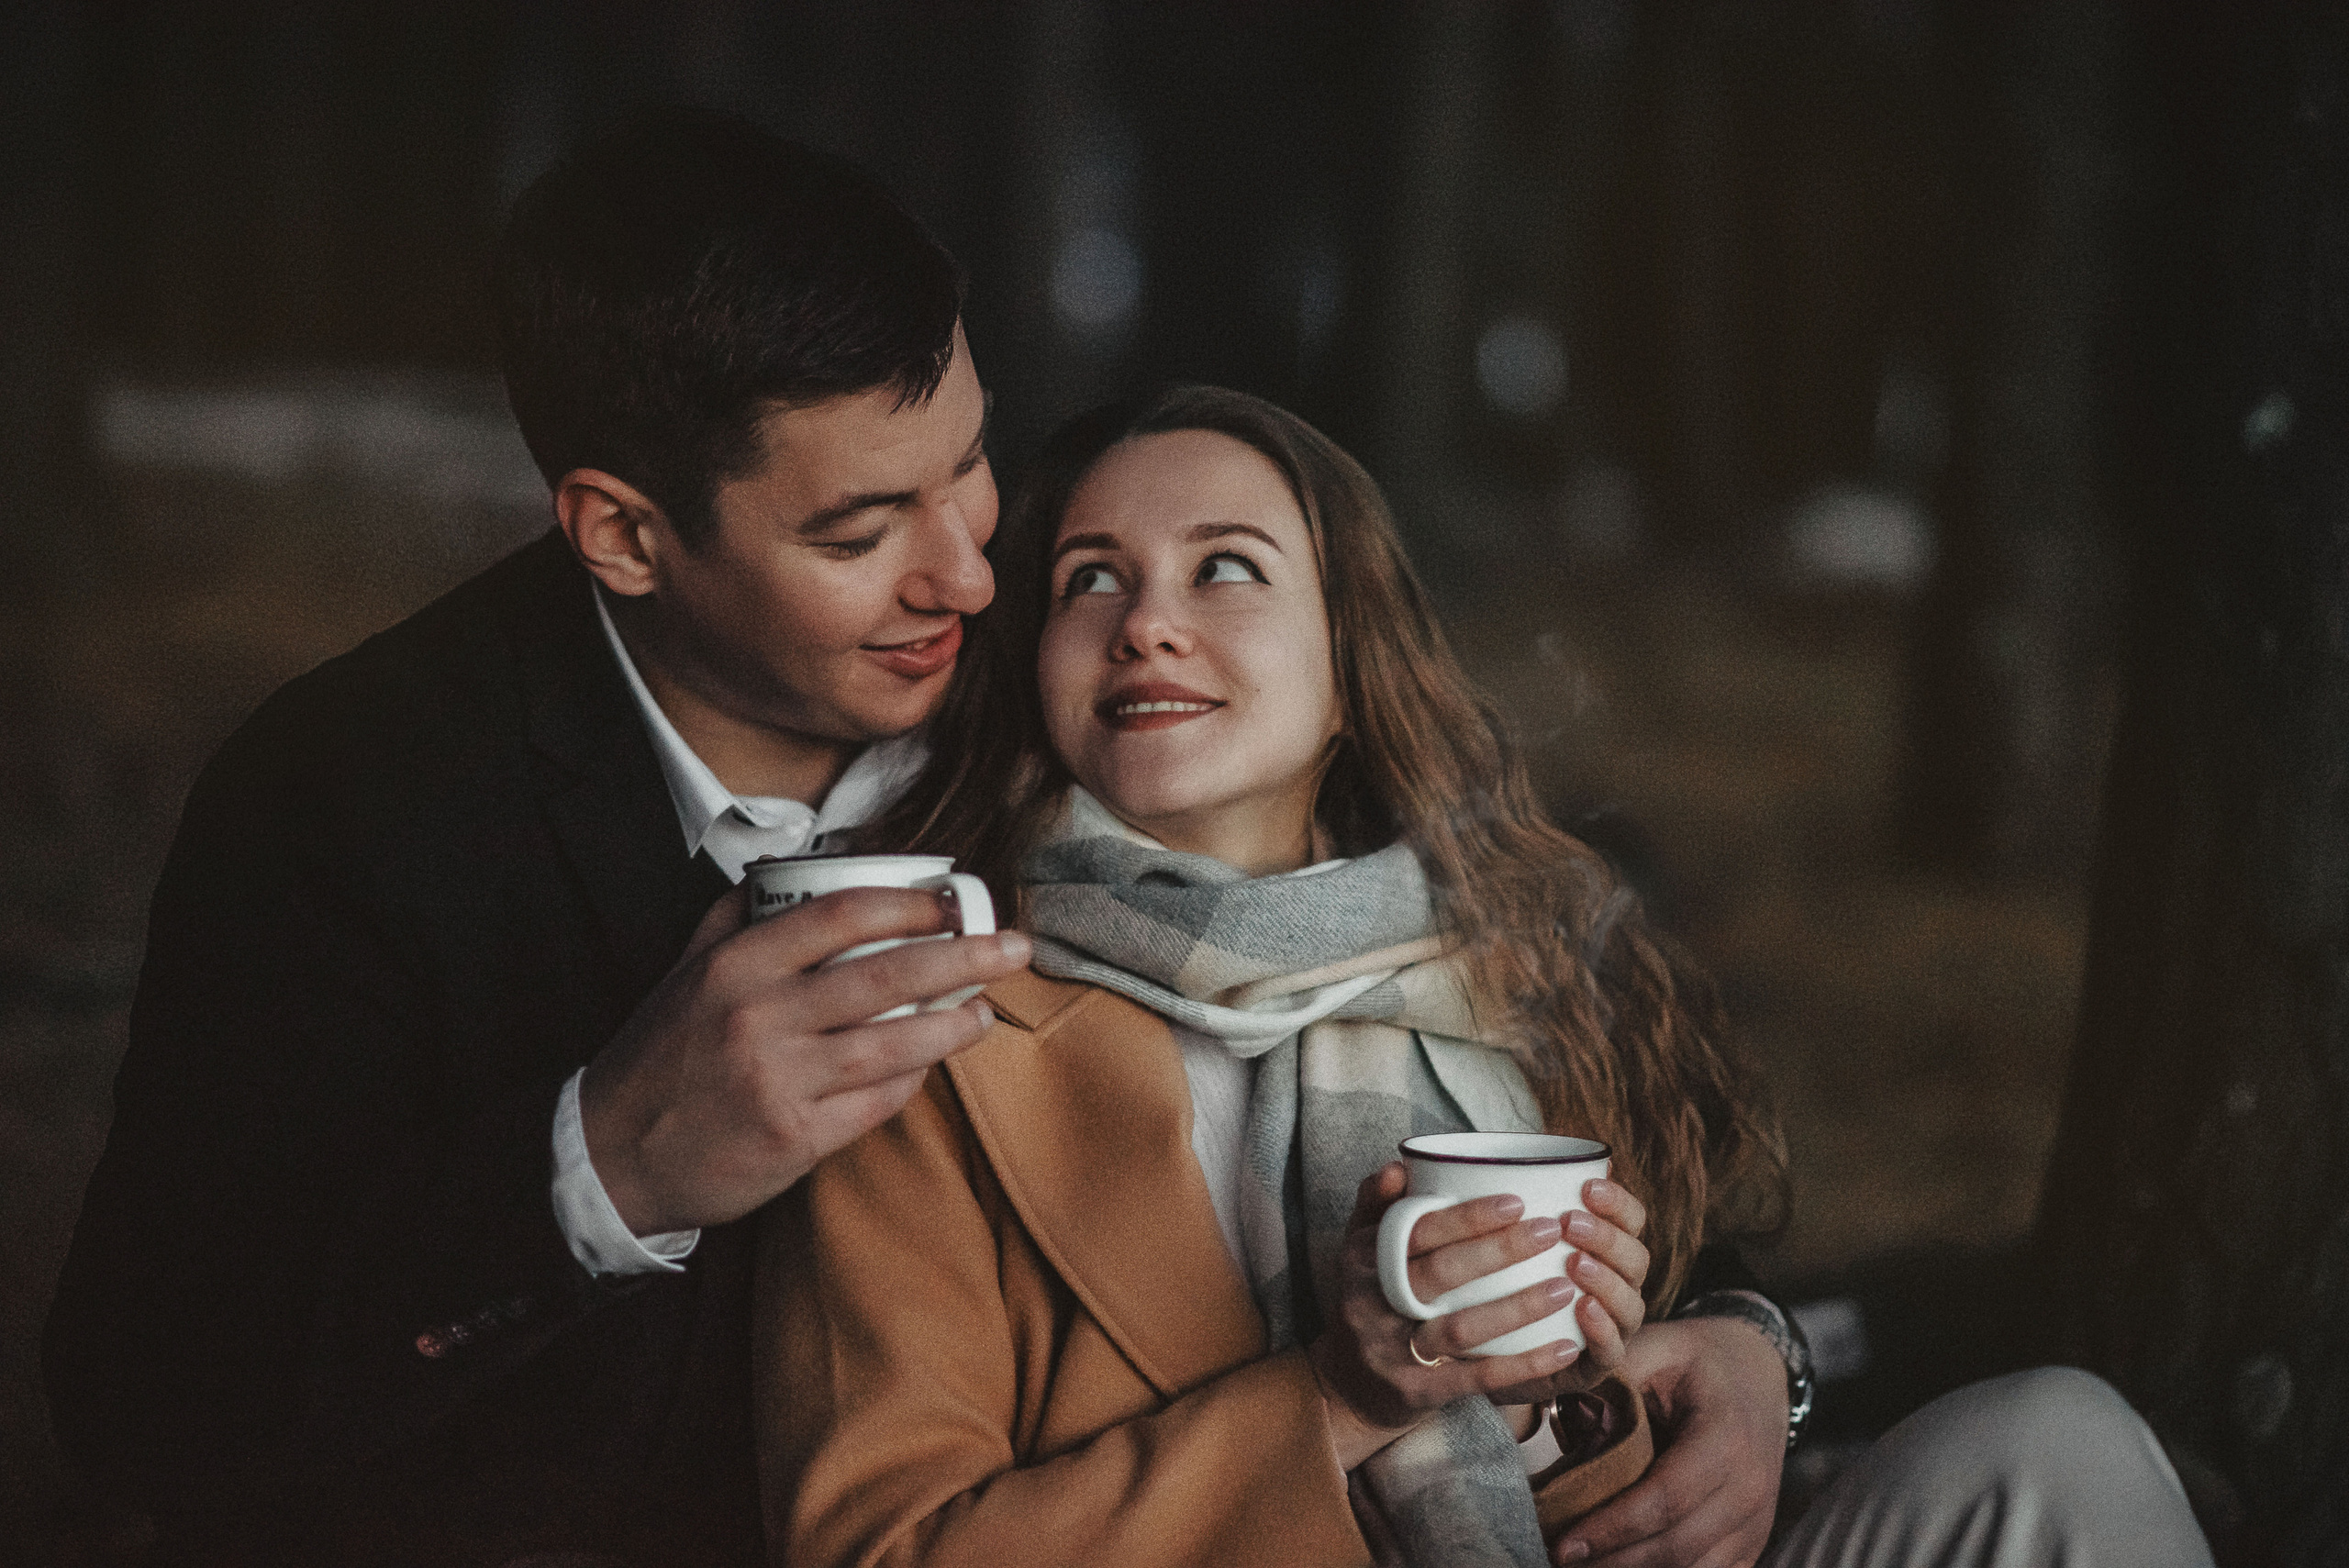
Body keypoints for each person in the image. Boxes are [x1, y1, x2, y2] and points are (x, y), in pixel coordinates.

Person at [755, 386, 2217, 1568]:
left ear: (1350, 664)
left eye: (1226, 567)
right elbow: (879, 1548)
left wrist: (1727, 1362)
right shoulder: (926, 1034)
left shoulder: (1510, 974)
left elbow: (1678, 1339)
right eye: (1092, 579)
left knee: (2056, 1447)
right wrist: (1338, 1398)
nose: (1146, 619)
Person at [43, 111, 1030, 1566]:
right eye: (859, 532)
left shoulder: (1087, 671)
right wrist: (605, 1162)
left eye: (972, 461)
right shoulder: (345, 797)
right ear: (623, 535)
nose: (969, 571)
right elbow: (149, 1403)